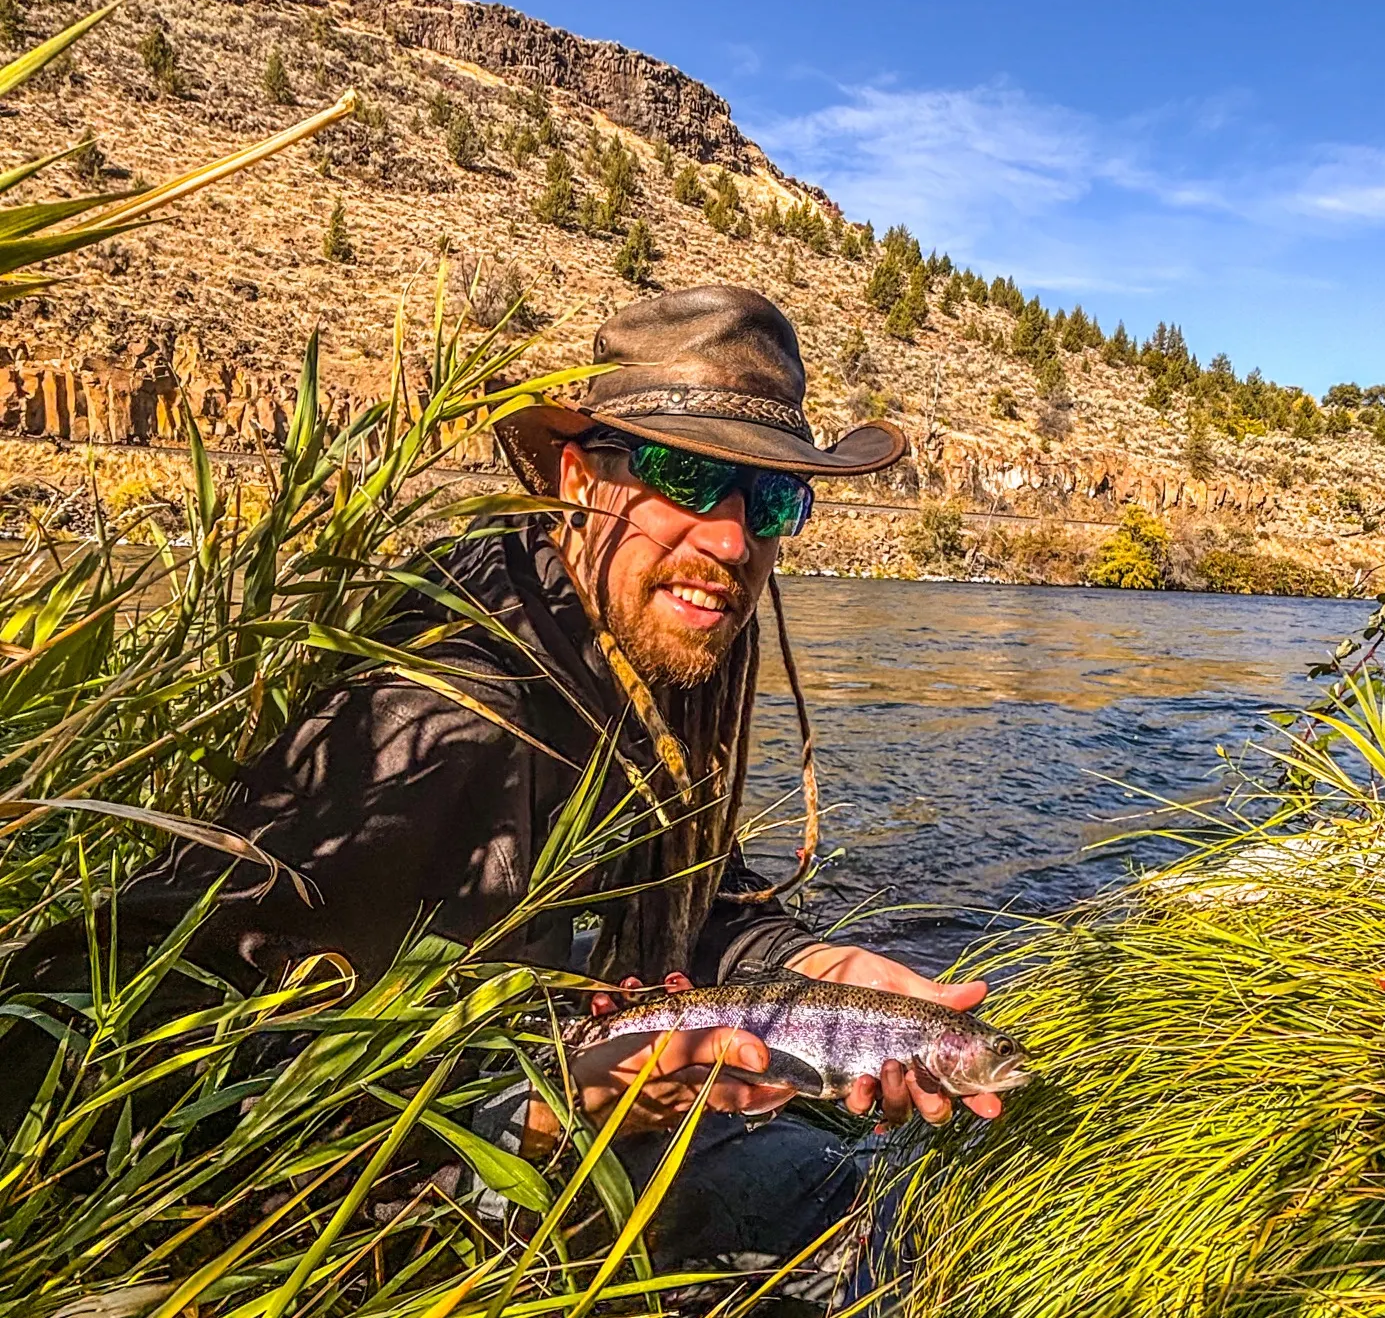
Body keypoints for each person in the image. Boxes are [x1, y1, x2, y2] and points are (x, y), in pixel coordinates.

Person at [2, 285, 1004, 1279]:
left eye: (774, 497)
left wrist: (821, 973)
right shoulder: (437, 715)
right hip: (392, 1219)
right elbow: (118, 1067)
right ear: (578, 477)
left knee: (901, 1200)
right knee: (885, 1246)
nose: (734, 540)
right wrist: (548, 1098)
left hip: (584, 1147)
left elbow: (707, 906)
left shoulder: (656, 647)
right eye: (686, 476)